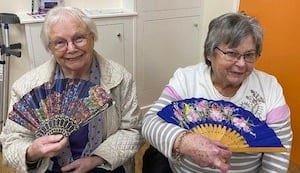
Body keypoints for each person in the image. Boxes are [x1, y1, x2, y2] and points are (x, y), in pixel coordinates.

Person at [142, 12, 293, 173]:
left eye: (249, 55)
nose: (241, 64)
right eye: (231, 54)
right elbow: (150, 124)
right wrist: (185, 141)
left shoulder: (269, 87)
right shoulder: (186, 79)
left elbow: (277, 153)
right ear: (209, 53)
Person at [0, 6, 143, 173]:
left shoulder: (120, 79)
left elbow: (132, 130)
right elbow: (11, 143)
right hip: (48, 167)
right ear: (50, 47)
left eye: (79, 38)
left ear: (93, 38)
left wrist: (97, 159)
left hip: (103, 164)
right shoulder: (26, 87)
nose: (72, 48)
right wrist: (32, 152)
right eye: (60, 42)